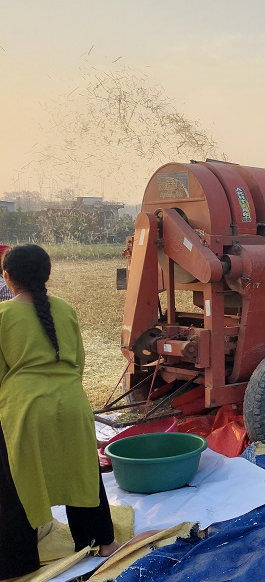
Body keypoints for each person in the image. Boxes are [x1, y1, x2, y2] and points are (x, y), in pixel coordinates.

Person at [0, 244, 120, 580]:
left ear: (7, 277)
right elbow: (78, 362)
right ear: (46, 274)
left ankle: (16, 564)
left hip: (23, 409)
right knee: (82, 472)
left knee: (12, 484)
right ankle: (102, 543)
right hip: (72, 403)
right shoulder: (65, 309)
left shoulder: (3, 316)